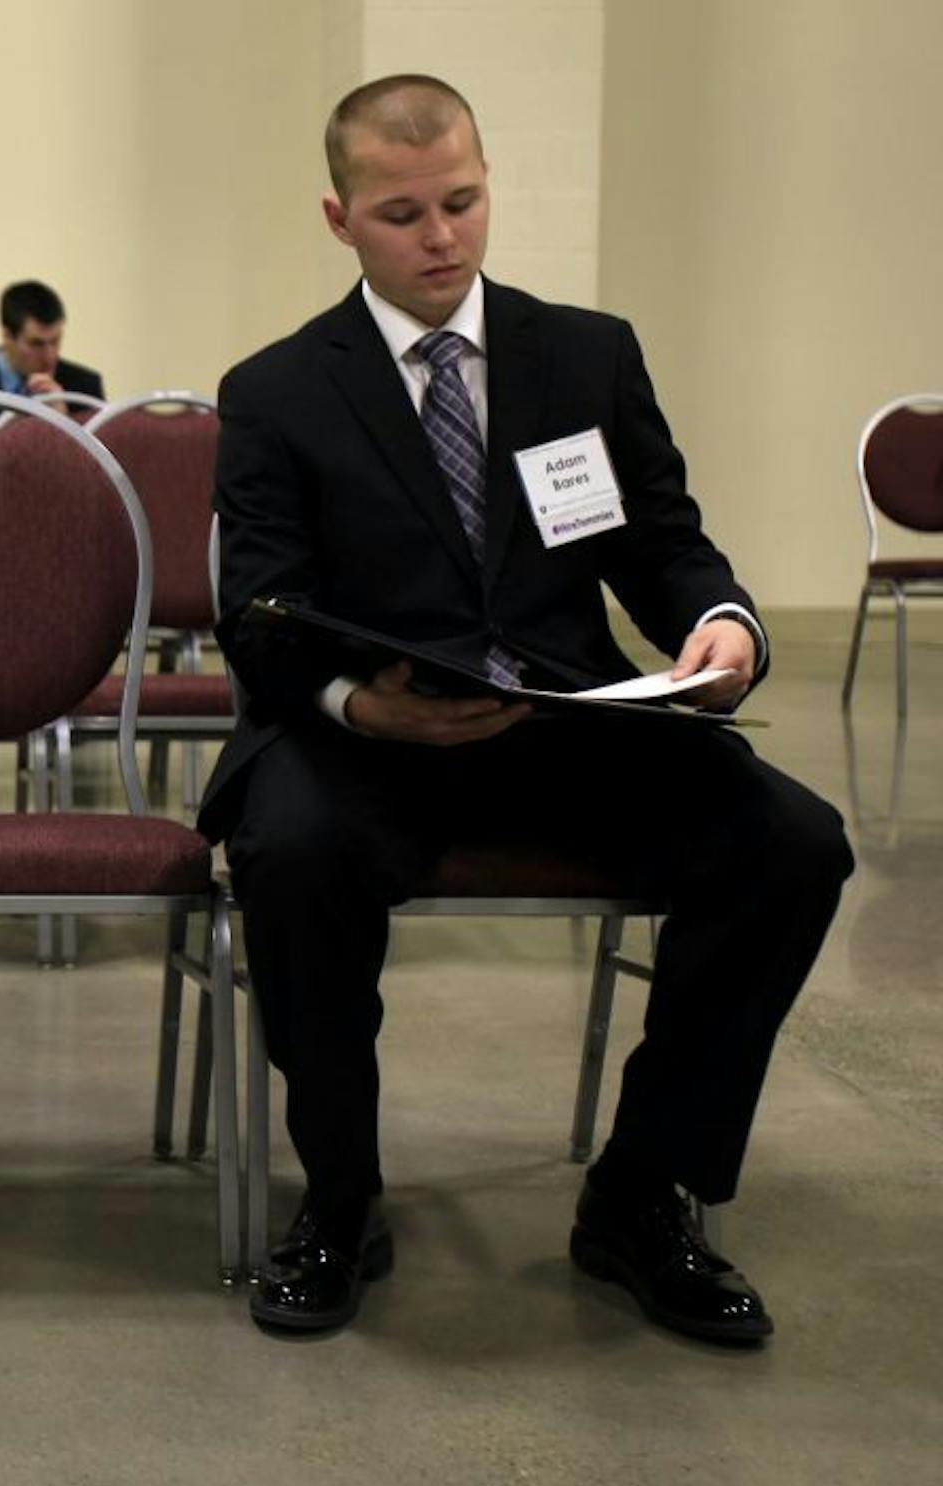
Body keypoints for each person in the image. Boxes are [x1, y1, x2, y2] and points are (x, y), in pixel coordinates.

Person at [197, 74, 853, 1343]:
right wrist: (355, 703)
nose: (441, 236)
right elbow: (260, 611)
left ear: (487, 186)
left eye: (462, 201)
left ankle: (639, 1192)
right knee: (288, 852)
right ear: (339, 219)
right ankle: (340, 1198)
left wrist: (724, 626)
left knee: (791, 843)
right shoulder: (280, 388)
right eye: (402, 213)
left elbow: (661, 544)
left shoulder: (585, 355)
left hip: (562, 725)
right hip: (367, 739)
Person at [0, 279, 105, 429]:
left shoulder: (85, 387)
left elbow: (100, 464)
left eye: (55, 341)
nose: (50, 355)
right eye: (36, 343)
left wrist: (65, 422)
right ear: (7, 336)